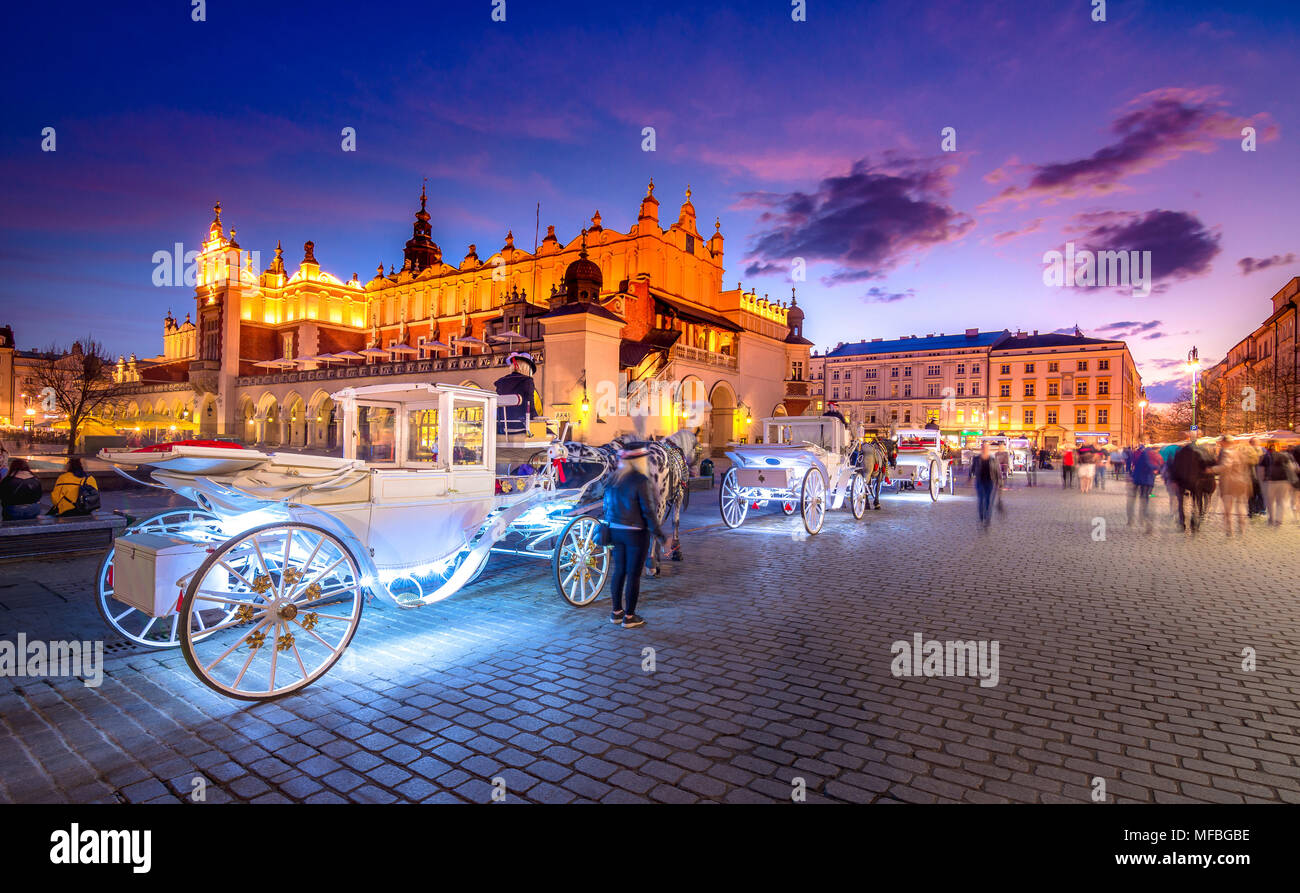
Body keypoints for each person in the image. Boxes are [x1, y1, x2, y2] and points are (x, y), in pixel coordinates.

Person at [601, 444, 666, 628]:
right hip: (635, 534)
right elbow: (648, 511)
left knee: (619, 571)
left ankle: (616, 612)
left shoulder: (614, 479)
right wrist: (659, 535)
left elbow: (606, 507)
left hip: (615, 531)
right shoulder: (641, 480)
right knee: (633, 575)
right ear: (640, 460)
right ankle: (629, 617)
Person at [1211, 436, 1251, 537]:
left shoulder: (1226, 452)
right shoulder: (1239, 452)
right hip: (1241, 481)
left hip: (1229, 482)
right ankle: (1242, 529)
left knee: (1228, 508)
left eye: (1221, 442)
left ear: (1224, 442)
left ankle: (1230, 531)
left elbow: (1225, 465)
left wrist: (1211, 469)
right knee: (1240, 506)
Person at [1259, 442, 1298, 526]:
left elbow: (1261, 471)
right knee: (1281, 501)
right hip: (1284, 481)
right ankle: (1279, 520)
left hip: (1270, 482)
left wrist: (1262, 482)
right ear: (1278, 446)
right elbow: (1292, 468)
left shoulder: (1265, 456)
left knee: (1270, 502)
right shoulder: (1285, 455)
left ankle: (1271, 519)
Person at [1126, 443, 1162, 533]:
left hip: (1139, 479)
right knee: (1143, 499)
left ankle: (1135, 519)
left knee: (1137, 499)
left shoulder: (1144, 454)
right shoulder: (1147, 454)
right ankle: (1140, 519)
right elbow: (1147, 465)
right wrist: (1157, 468)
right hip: (1144, 480)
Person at [968, 442, 1003, 528]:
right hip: (980, 481)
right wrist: (969, 477)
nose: (985, 449)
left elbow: (997, 471)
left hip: (990, 481)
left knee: (988, 500)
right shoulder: (976, 459)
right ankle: (981, 516)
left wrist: (1000, 482)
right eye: (983, 447)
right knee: (981, 499)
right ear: (981, 448)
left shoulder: (993, 459)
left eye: (987, 447)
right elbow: (972, 468)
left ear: (989, 449)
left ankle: (987, 518)